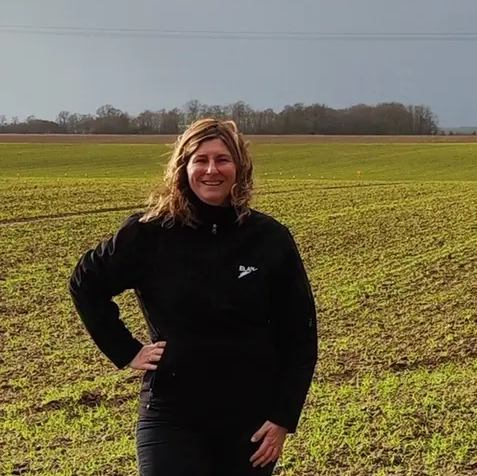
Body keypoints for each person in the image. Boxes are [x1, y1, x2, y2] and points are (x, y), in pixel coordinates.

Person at [68, 118, 318, 475]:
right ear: (183, 168)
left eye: (222, 159)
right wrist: (127, 350)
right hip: (172, 414)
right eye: (200, 160)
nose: (211, 170)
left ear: (240, 168)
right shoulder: (150, 232)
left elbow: (300, 336)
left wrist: (282, 417)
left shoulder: (270, 238)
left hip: (249, 420)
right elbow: (86, 282)